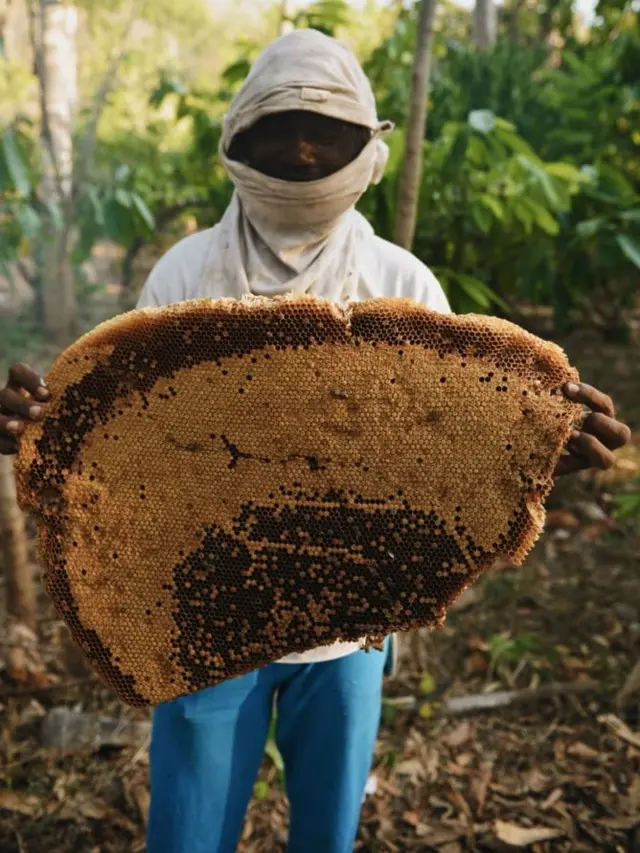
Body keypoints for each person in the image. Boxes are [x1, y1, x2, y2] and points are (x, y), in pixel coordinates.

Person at [0, 29, 631, 853]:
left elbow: (447, 447)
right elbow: (131, 448)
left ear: (369, 146)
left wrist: (543, 447)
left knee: (327, 834)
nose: (301, 148)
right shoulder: (183, 275)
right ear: (238, 139)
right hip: (198, 603)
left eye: (324, 130)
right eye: (282, 126)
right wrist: (46, 434)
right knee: (189, 832)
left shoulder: (404, 285)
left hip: (351, 627)